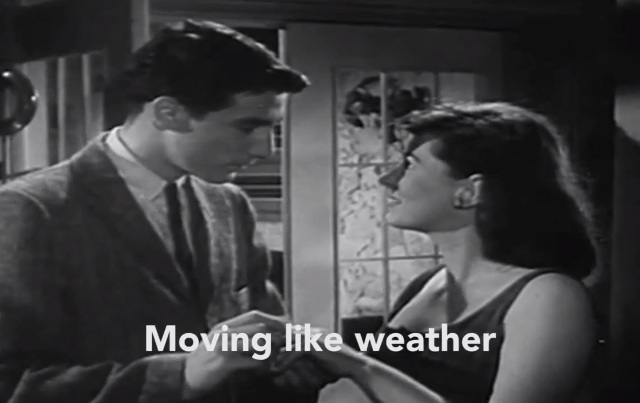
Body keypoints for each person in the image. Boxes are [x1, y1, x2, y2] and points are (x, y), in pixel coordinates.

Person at [0, 19, 332, 402]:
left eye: (272, 129)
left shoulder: (228, 204)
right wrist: (179, 377)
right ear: (167, 113)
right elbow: (10, 384)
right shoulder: (31, 210)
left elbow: (262, 336)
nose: (265, 150)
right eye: (246, 128)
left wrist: (292, 366)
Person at [294, 102, 598, 403]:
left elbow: (371, 375)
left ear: (470, 191)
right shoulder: (427, 284)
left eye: (410, 164)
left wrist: (357, 366)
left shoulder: (549, 296)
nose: (388, 180)